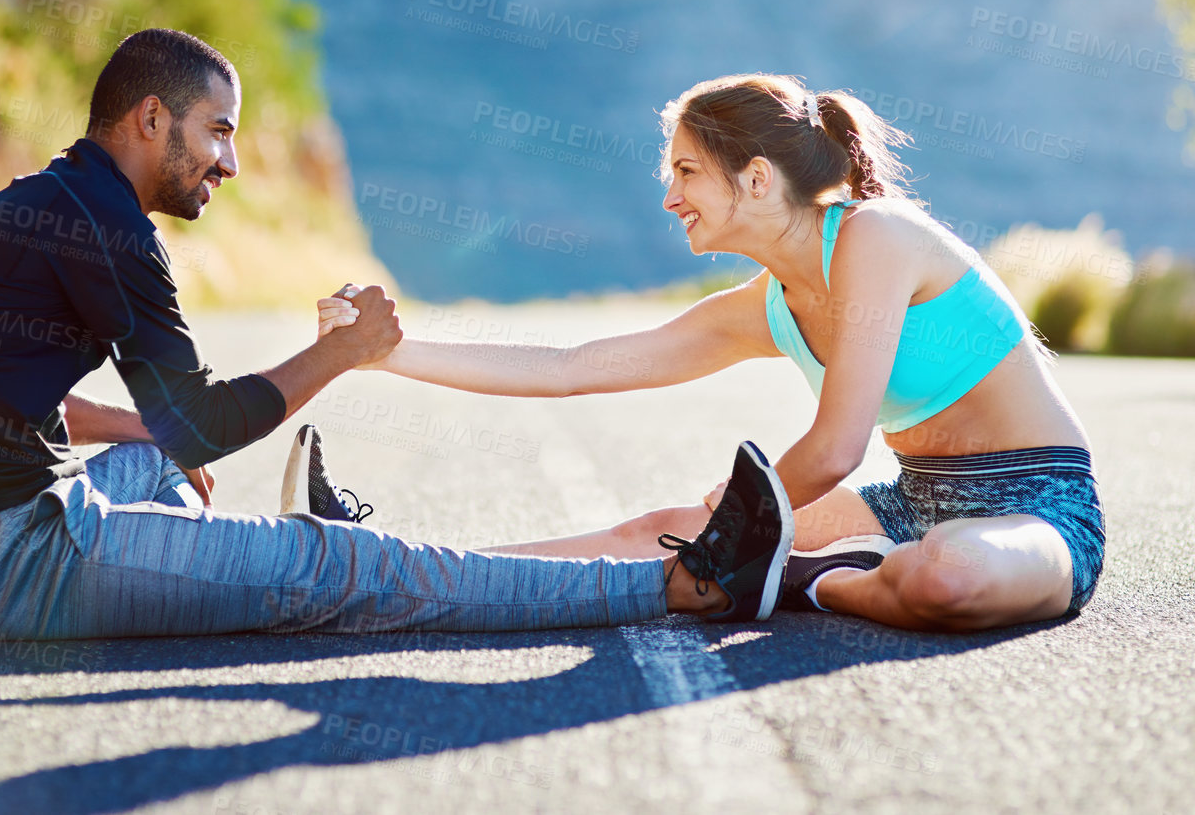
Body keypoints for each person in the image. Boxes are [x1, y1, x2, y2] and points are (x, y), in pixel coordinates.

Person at [0, 29, 784, 640]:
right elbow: (199, 421)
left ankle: (254, 566)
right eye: (217, 131)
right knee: (347, 570)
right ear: (150, 116)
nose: (230, 162)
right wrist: (343, 351)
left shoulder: (52, 198)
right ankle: (675, 586)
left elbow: (33, 398)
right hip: (6, 566)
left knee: (162, 471)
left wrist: (139, 436)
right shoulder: (107, 227)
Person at [318, 73, 1105, 631]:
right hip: (908, 502)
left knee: (947, 576)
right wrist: (384, 351)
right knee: (655, 533)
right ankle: (398, 573)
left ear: (756, 179)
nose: (669, 197)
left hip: (1037, 507)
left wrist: (728, 533)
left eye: (686, 171)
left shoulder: (877, 235)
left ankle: (811, 576)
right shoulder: (765, 308)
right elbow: (573, 368)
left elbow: (835, 448)